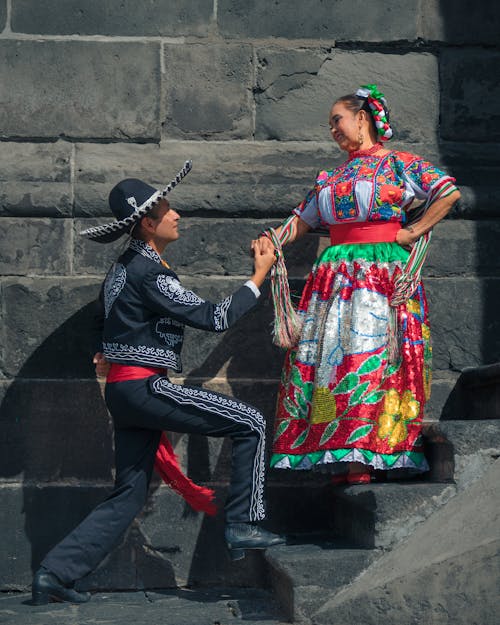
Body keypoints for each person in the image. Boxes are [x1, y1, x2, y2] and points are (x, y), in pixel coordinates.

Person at [31, 161, 285, 605]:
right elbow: (215, 317)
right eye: (168, 209)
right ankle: (245, 523)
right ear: (148, 224)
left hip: (124, 392)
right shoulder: (151, 273)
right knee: (251, 423)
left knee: (129, 495)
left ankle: (55, 573)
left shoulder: (123, 269)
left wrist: (106, 346)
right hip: (144, 389)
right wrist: (258, 275)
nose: (177, 215)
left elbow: (100, 317)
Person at [260, 85, 460, 484]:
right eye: (331, 123)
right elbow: (302, 219)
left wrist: (415, 228)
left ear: (362, 118)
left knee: (371, 359)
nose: (332, 129)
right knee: (332, 363)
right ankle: (342, 451)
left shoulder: (398, 164)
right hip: (335, 278)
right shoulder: (330, 177)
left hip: (380, 276)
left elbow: (447, 191)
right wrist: (272, 240)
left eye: (337, 120)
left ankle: (366, 456)